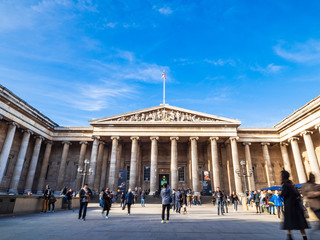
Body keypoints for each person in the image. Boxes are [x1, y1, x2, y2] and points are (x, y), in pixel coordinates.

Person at [280, 170, 309, 240]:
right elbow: (297, 194)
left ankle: (289, 237)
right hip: (296, 206)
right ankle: (304, 237)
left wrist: (281, 193)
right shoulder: (291, 184)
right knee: (300, 223)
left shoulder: (285, 185)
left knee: (288, 223)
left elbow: (283, 194)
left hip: (289, 206)